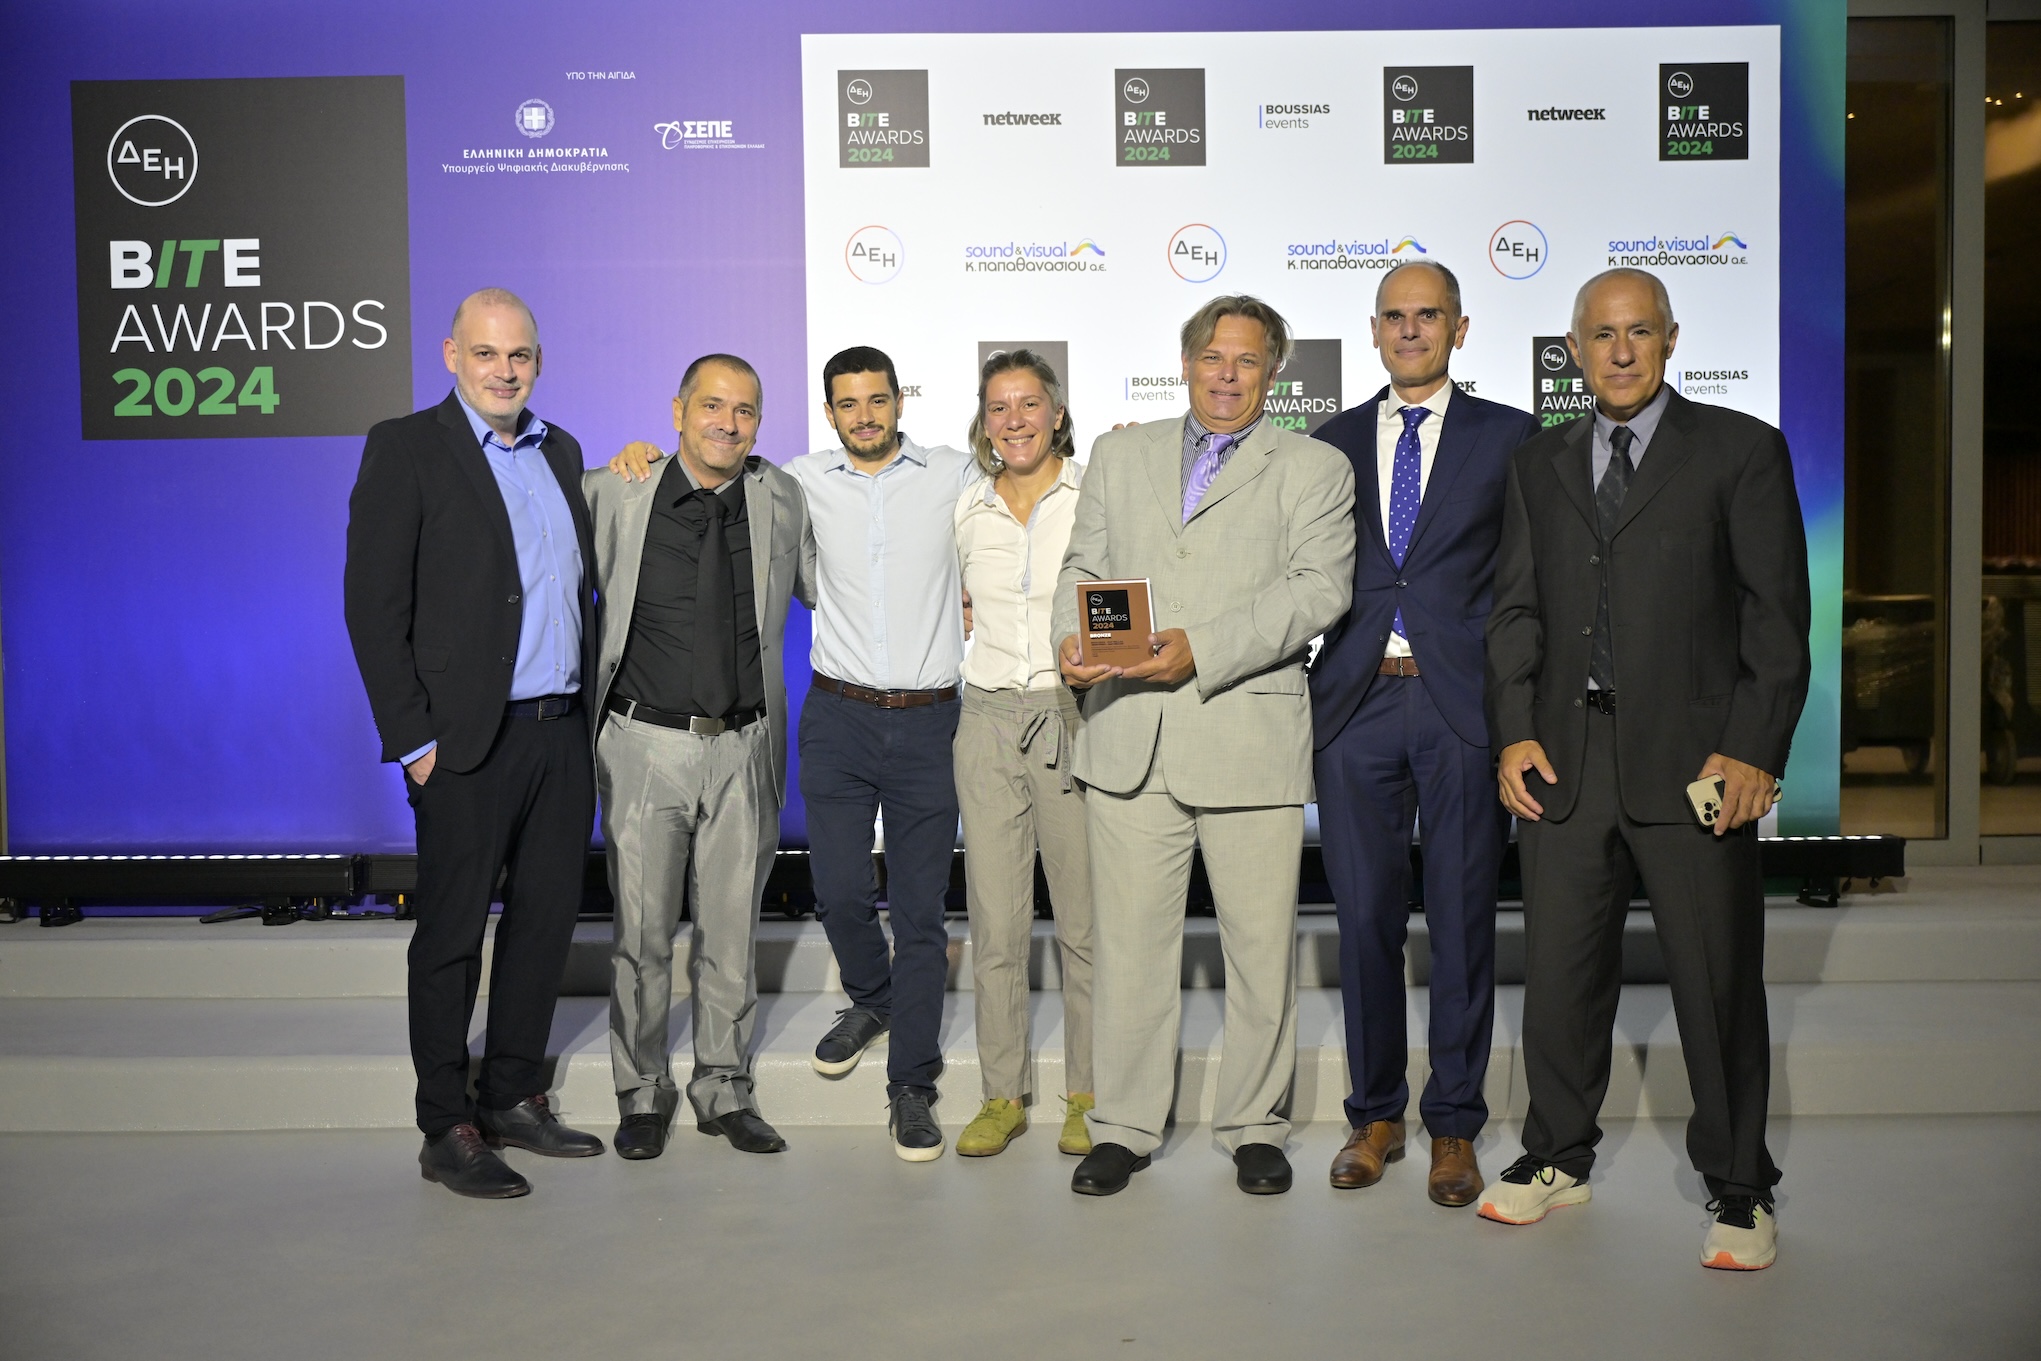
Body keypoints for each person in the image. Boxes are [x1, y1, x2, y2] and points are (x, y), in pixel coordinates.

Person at [1482, 268, 1809, 1271]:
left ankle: (1740, 1185)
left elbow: (1775, 618)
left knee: (1716, 983)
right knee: (1558, 978)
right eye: (1600, 334)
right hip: (1564, 763)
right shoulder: (1537, 463)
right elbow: (1515, 611)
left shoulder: (1741, 449)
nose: (1619, 351)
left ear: (1669, 339)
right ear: (1574, 349)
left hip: (1695, 767)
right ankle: (1555, 1152)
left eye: (1638, 332)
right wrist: (1513, 731)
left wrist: (1752, 748)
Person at [613, 347, 974, 1162]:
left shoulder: (953, 474)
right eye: (847, 403)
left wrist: (1099, 447)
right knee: (838, 893)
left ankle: (910, 1085)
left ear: (899, 401)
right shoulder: (795, 483)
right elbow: (695, 468)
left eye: (876, 400)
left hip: (928, 719)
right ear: (828, 410)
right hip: (836, 716)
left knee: (918, 913)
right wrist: (636, 453)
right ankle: (871, 997)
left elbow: (1029, 479)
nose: (864, 416)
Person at [1056, 296, 1356, 1196]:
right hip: (1128, 736)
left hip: (1245, 732)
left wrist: (1205, 647)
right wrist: (1068, 637)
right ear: (1185, 362)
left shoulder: (1314, 467)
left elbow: (1318, 589)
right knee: (1128, 951)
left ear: (1273, 373)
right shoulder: (1119, 453)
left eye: (1247, 360)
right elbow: (1082, 565)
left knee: (1260, 949)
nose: (1227, 374)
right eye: (1213, 357)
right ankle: (1123, 1125)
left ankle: (1254, 1124)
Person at [344, 289, 604, 1199]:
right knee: (451, 937)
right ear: (452, 355)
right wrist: (413, 740)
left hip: (559, 733)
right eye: (486, 353)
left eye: (519, 355)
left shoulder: (560, 450)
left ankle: (513, 1094)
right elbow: (372, 607)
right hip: (462, 744)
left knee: (544, 923)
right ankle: (445, 1124)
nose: (504, 370)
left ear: (538, 362)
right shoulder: (406, 447)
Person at [1307, 260, 1536, 1205]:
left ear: (1459, 328)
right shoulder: (1326, 442)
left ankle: (1452, 1126)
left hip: (1461, 709)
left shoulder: (1511, 437)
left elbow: (1528, 581)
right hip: (1354, 705)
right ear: (1372, 330)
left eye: (1427, 315)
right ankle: (1373, 1115)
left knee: (1461, 918)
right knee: (1362, 919)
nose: (1409, 330)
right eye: (1394, 316)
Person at [581, 354, 814, 1161]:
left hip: (744, 745)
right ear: (677, 410)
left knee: (730, 934)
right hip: (644, 745)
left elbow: (834, 584)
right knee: (640, 935)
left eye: (744, 410)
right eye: (711, 405)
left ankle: (723, 1087)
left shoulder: (781, 497)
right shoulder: (614, 490)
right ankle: (641, 1090)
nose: (728, 422)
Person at [950, 349, 1096, 1159]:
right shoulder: (965, 506)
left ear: (1056, 414)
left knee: (1083, 923)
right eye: (998, 407)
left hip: (1069, 714)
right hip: (985, 719)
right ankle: (1000, 1093)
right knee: (996, 924)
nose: (1014, 420)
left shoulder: (1093, 493)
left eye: (1028, 404)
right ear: (984, 420)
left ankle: (1089, 1093)